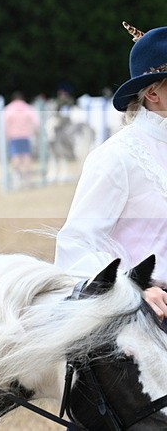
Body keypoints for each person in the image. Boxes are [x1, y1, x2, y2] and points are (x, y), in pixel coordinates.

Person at [55, 22, 167, 320]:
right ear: (153, 93)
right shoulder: (117, 156)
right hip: (141, 315)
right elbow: (75, 245)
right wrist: (133, 289)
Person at [3, 91, 39, 188]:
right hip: (26, 136)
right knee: (27, 158)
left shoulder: (9, 108)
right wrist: (35, 133)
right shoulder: (27, 108)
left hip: (13, 137)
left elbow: (5, 124)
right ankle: (28, 180)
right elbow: (35, 122)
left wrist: (6, 135)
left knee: (15, 158)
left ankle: (17, 180)